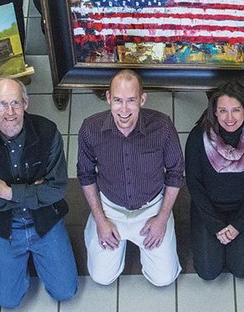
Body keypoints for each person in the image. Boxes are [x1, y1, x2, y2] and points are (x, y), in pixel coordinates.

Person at [0, 77, 78, 309]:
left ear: (26, 103)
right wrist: (35, 190)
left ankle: (35, 256)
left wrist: (9, 192)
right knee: (7, 300)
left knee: (66, 291)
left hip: (45, 220)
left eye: (15, 103)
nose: (10, 112)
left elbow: (57, 188)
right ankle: (21, 259)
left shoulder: (48, 132)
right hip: (7, 227)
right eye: (2, 104)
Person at [77, 69, 184, 287]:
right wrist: (100, 220)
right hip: (110, 208)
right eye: (117, 100)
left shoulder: (162, 127)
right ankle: (97, 228)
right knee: (101, 277)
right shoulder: (90, 129)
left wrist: (162, 218)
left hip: (151, 207)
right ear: (108, 98)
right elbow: (86, 174)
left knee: (163, 279)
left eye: (131, 101)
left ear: (142, 99)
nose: (124, 110)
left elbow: (175, 173)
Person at [185, 81, 244, 280]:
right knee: (208, 271)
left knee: (242, 270)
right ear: (214, 112)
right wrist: (216, 225)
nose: (229, 118)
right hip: (208, 208)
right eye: (223, 110)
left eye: (236, 110)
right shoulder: (198, 137)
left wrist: (238, 225)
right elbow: (194, 185)